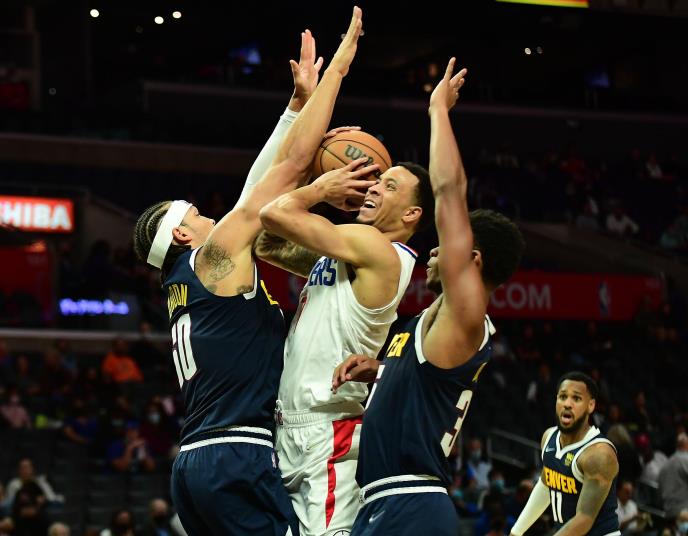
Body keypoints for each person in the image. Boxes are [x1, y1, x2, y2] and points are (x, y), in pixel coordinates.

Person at [132, 8, 364, 536]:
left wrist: (296, 105)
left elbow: (255, 191)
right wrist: (339, 71)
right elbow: (290, 168)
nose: (209, 214)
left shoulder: (190, 280)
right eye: (196, 213)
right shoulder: (213, 257)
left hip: (197, 463)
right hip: (235, 455)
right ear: (185, 235)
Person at [332, 58, 525, 535]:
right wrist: (380, 370)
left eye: (448, 245)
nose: (435, 250)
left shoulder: (465, 314)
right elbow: (426, 385)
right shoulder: (433, 323)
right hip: (384, 501)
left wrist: (438, 109)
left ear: (471, 260)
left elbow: (450, 190)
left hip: (411, 502)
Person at [257, 34, 434, 536]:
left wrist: (318, 184)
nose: (374, 186)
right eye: (377, 179)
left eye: (389, 185)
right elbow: (266, 242)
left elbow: (274, 213)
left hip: (329, 429)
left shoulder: (378, 251)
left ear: (412, 215)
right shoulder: (347, 249)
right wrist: (310, 148)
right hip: (292, 427)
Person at [510, 372, 620, 536]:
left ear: (590, 405)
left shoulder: (599, 455)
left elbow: (584, 518)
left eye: (576, 398)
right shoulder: (549, 437)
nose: (567, 404)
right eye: (563, 397)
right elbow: (546, 485)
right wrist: (516, 532)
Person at [658, 433, 688, 520]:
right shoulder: (686, 459)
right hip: (684, 511)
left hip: (668, 512)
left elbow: (660, 490)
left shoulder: (665, 465)